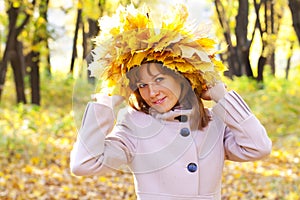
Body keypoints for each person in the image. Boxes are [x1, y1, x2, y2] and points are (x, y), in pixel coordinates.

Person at [70, 4, 272, 199]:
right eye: (142, 85)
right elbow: (84, 164)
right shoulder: (134, 126)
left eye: (159, 80)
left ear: (182, 78)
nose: (152, 92)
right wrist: (106, 105)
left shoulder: (213, 123)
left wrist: (223, 97)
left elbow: (258, 148)